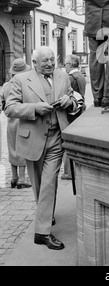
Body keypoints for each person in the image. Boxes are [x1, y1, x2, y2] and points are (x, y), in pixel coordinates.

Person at [4, 46, 77, 250]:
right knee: (38, 185)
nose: (50, 64)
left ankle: (42, 232)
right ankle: (46, 213)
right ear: (34, 63)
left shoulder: (63, 76)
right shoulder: (20, 80)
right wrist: (34, 108)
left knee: (49, 182)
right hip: (32, 139)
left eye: (52, 59)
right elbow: (9, 108)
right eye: (45, 61)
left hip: (56, 137)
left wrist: (69, 101)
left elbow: (74, 99)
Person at [0, 58, 31, 189]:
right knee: (23, 148)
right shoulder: (23, 84)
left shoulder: (6, 86)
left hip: (10, 122)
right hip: (23, 120)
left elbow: (2, 105)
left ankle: (14, 177)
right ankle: (22, 179)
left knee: (12, 148)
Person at [62, 54, 86, 180]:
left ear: (70, 65)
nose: (64, 66)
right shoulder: (81, 75)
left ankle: (68, 172)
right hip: (80, 110)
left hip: (72, 113)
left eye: (65, 63)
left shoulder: (70, 78)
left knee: (67, 142)